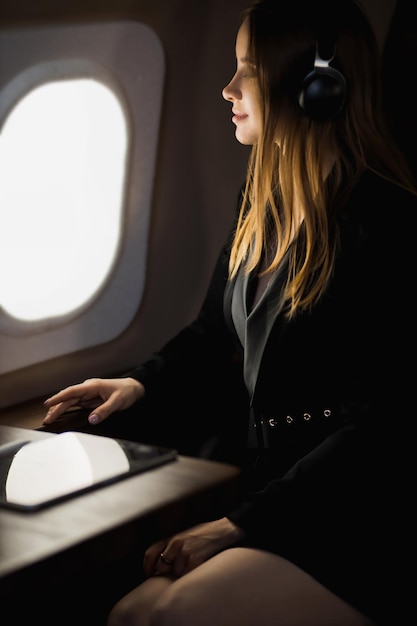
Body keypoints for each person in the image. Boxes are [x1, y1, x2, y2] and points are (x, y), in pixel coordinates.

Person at [43, 0, 417, 624]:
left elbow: (383, 428)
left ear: (317, 89)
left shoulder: (388, 224)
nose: (227, 89)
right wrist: (140, 382)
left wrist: (238, 526)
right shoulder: (263, 199)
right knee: (130, 612)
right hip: (277, 490)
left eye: (247, 69)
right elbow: (216, 333)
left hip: (358, 516)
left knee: (169, 616)